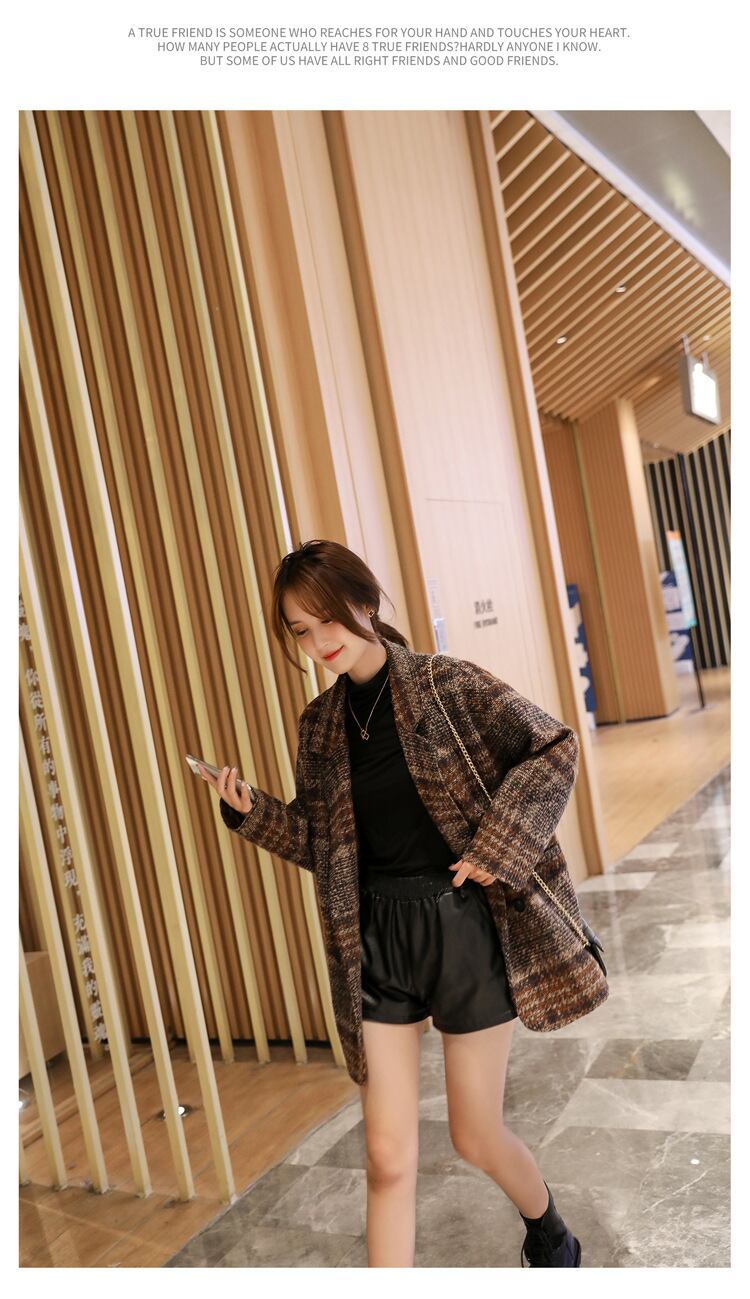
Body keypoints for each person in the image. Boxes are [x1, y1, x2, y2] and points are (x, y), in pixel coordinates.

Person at [197, 538, 591, 1267]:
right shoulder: (319, 725)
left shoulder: (446, 684)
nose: (319, 642)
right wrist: (252, 812)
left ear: (365, 602)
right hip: (376, 941)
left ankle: (547, 1226)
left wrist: (497, 847)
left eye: (327, 619)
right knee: (385, 1158)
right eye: (300, 631)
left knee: (474, 1136)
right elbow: (328, 846)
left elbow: (553, 745)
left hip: (463, 927)